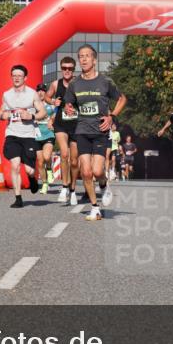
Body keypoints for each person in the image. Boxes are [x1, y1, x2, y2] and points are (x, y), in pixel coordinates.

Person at [63, 44, 126, 221]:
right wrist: (68, 109)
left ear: (94, 60)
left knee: (98, 171)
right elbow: (69, 104)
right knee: (86, 172)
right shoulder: (75, 83)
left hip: (100, 131)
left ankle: (104, 185)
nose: (83, 59)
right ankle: (94, 207)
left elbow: (122, 99)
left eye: (87, 56)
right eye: (80, 56)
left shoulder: (105, 82)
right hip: (82, 130)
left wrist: (112, 116)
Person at [0, 64, 47, 208]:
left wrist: (31, 115)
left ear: (25, 78)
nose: (16, 78)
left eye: (19, 75)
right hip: (12, 134)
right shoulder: (6, 95)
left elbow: (43, 112)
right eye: (14, 75)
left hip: (28, 135)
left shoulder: (32, 94)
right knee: (15, 165)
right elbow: (1, 112)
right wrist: (4, 115)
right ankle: (18, 198)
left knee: (29, 170)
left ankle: (32, 179)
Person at [47, 56, 81, 205]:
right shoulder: (56, 83)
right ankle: (64, 187)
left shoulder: (80, 83)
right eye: (64, 68)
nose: (67, 71)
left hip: (77, 124)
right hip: (61, 123)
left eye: (70, 68)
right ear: (61, 69)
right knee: (64, 154)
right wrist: (53, 101)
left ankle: (73, 189)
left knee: (74, 161)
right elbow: (47, 97)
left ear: (74, 70)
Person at [34, 83, 56, 194]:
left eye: (43, 90)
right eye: (38, 91)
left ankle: (49, 169)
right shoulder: (33, 105)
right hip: (37, 135)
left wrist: (52, 120)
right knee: (40, 162)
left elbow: (57, 112)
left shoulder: (50, 104)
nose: (40, 92)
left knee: (47, 156)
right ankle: (44, 183)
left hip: (48, 134)